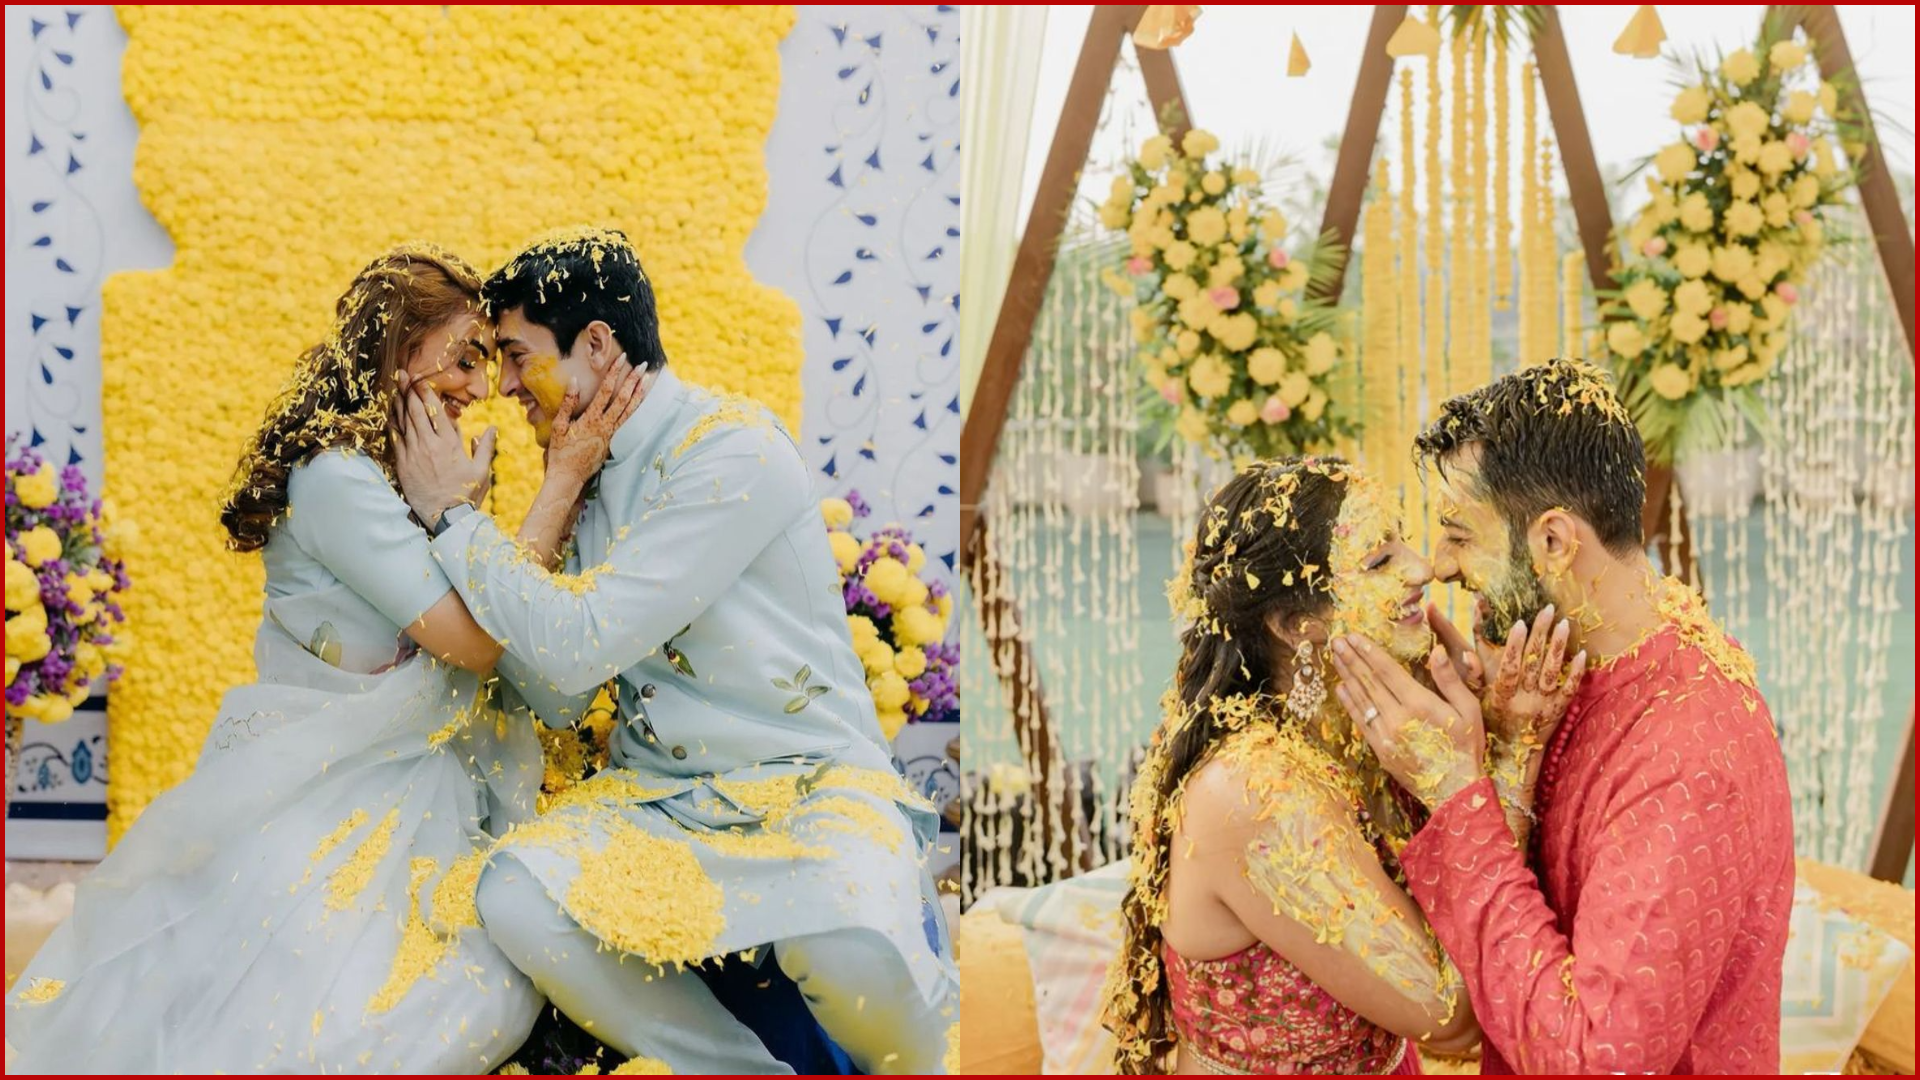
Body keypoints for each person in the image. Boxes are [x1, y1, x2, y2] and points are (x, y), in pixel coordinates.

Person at [4, 243, 629, 1073]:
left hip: (412, 783)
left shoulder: (400, 469)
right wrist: (557, 486)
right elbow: (477, 643)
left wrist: (460, 511)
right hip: (337, 790)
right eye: (466, 357)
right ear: (399, 347)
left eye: (489, 363)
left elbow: (487, 617)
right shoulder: (336, 477)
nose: (482, 389)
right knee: (359, 1019)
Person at [392, 227, 959, 1075]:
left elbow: (579, 647)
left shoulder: (731, 449)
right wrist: (554, 491)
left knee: (841, 944)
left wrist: (454, 521)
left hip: (807, 783)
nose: (504, 385)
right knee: (513, 892)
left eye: (515, 354)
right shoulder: (582, 466)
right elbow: (556, 696)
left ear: (596, 344)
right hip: (661, 801)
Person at [1333, 359, 1794, 1074]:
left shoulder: (1686, 755)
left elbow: (1597, 1059)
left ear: (1553, 541)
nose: (1442, 567)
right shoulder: (1602, 645)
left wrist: (1458, 792)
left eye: (1459, 533)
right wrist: (1502, 735)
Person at [1100, 457, 1581, 1075]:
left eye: (1403, 539)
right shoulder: (1253, 790)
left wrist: (1481, 732)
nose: (1422, 567)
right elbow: (1453, 1018)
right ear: (1295, 624)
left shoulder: (1352, 729)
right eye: (1381, 560)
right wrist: (1506, 760)